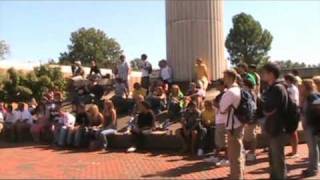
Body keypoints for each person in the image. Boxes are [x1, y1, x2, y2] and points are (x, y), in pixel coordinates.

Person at [261, 63, 288, 179]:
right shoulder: (271, 88)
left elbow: (270, 108)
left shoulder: (277, 88)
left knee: (277, 157)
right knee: (273, 156)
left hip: (277, 127)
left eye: (264, 72)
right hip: (272, 127)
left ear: (271, 74)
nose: (262, 75)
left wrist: (264, 109)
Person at [219, 69, 244, 179]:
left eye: (224, 77)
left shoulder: (229, 92)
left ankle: (236, 177)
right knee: (239, 152)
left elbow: (222, 109)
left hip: (232, 125)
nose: (223, 79)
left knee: (234, 155)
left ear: (230, 77)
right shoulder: (239, 90)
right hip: (239, 123)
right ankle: (239, 174)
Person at [205, 79, 229, 166]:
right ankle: (216, 156)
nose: (216, 86)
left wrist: (215, 104)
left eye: (218, 84)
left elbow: (224, 107)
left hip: (224, 120)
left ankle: (227, 158)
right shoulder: (219, 95)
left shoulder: (226, 94)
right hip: (219, 120)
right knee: (219, 140)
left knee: (225, 140)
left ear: (223, 85)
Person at [300, 79, 320, 177]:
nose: (300, 88)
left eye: (302, 86)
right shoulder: (309, 96)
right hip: (311, 125)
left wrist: (312, 119)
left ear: (306, 86)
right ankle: (311, 168)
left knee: (313, 149)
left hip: (312, 126)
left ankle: (313, 169)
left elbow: (317, 107)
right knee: (312, 149)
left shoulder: (312, 96)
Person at [242, 75, 258, 162]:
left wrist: (249, 117)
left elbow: (251, 106)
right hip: (250, 116)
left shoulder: (249, 93)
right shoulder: (250, 93)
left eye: (243, 84)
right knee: (249, 135)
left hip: (251, 116)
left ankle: (252, 153)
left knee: (252, 135)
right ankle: (251, 152)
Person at [284, 73, 300, 158]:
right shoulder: (291, 88)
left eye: (285, 79)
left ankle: (295, 152)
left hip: (293, 111)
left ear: (288, 80)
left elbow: (293, 100)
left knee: (293, 132)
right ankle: (293, 150)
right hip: (292, 111)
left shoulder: (291, 89)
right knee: (291, 132)